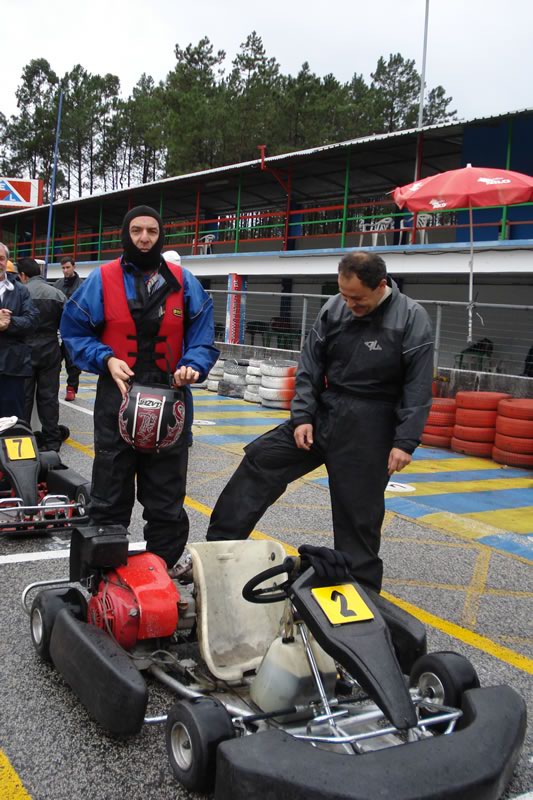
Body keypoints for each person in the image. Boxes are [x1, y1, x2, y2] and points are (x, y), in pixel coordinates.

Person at [206, 252, 434, 593]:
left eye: (357, 298)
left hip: (372, 424)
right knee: (261, 460)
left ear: (382, 286)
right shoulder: (335, 309)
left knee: (359, 516)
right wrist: (302, 417)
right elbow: (310, 365)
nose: (349, 304)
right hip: (326, 411)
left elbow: (418, 386)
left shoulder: (411, 318)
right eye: (344, 295)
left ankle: (363, 593)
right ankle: (217, 551)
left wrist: (405, 442)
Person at [60, 206, 218, 570]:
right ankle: (99, 578)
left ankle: (160, 575)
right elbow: (73, 332)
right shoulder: (101, 279)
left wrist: (193, 365)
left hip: (171, 399)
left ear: (160, 236)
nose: (144, 238)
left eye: (151, 231)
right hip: (118, 396)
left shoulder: (184, 280)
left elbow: (203, 338)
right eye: (136, 231)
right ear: (125, 235)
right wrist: (105, 358)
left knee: (166, 501)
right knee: (109, 496)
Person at [18, 258, 65, 451]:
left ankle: (22, 440)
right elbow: (69, 328)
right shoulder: (58, 294)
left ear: (23, 275)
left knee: (24, 398)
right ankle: (52, 442)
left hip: (24, 351)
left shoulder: (20, 293)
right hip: (50, 348)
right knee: (49, 398)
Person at [0, 243, 39, 420]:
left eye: (1, 258)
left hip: (12, 367)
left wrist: (10, 323)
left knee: (11, 421)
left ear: (7, 261)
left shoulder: (21, 290)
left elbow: (32, 322)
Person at [164, 250, 194, 448]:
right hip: (166, 350)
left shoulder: (187, 288)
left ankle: (185, 431)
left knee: (182, 389)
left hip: (179, 352)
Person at [55, 256, 83, 401]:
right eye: (63, 268)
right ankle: (53, 387)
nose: (65, 270)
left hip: (74, 330)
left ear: (74, 267)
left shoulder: (82, 285)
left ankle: (71, 388)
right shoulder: (58, 284)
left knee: (73, 363)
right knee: (54, 361)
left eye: (67, 267)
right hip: (58, 329)